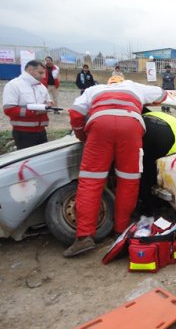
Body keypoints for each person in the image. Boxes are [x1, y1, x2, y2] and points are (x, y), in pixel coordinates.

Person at [63, 76, 167, 257]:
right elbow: (162, 94)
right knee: (129, 180)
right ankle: (121, 230)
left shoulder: (93, 89)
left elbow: (76, 112)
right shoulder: (134, 85)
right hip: (131, 125)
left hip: (100, 125)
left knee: (90, 182)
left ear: (109, 83)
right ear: (121, 82)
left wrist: (82, 136)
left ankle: (84, 237)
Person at [139, 111, 176, 214]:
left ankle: (143, 202)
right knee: (156, 169)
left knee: (143, 167)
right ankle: (153, 206)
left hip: (145, 123)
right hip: (165, 134)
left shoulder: (167, 118)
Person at [2, 60, 53, 149]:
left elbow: (48, 102)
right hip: (23, 133)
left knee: (41, 160)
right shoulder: (14, 85)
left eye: (43, 73)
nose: (43, 76)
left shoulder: (41, 87)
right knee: (27, 162)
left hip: (41, 131)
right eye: (40, 73)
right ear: (30, 70)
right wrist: (34, 112)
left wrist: (49, 105)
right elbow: (9, 109)